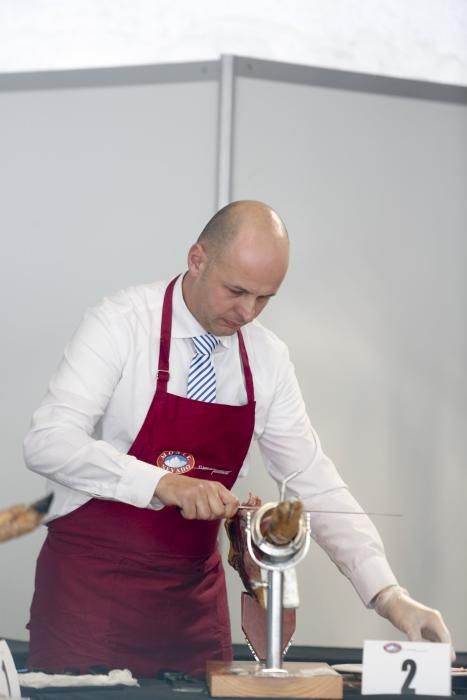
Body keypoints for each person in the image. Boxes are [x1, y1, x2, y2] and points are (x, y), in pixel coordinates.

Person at [24, 201, 452, 676]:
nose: (248, 312)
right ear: (197, 259)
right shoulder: (120, 323)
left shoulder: (267, 358)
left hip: (190, 608)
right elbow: (48, 441)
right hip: (90, 597)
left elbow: (312, 479)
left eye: (265, 298)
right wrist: (162, 484)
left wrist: (391, 598)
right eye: (236, 291)